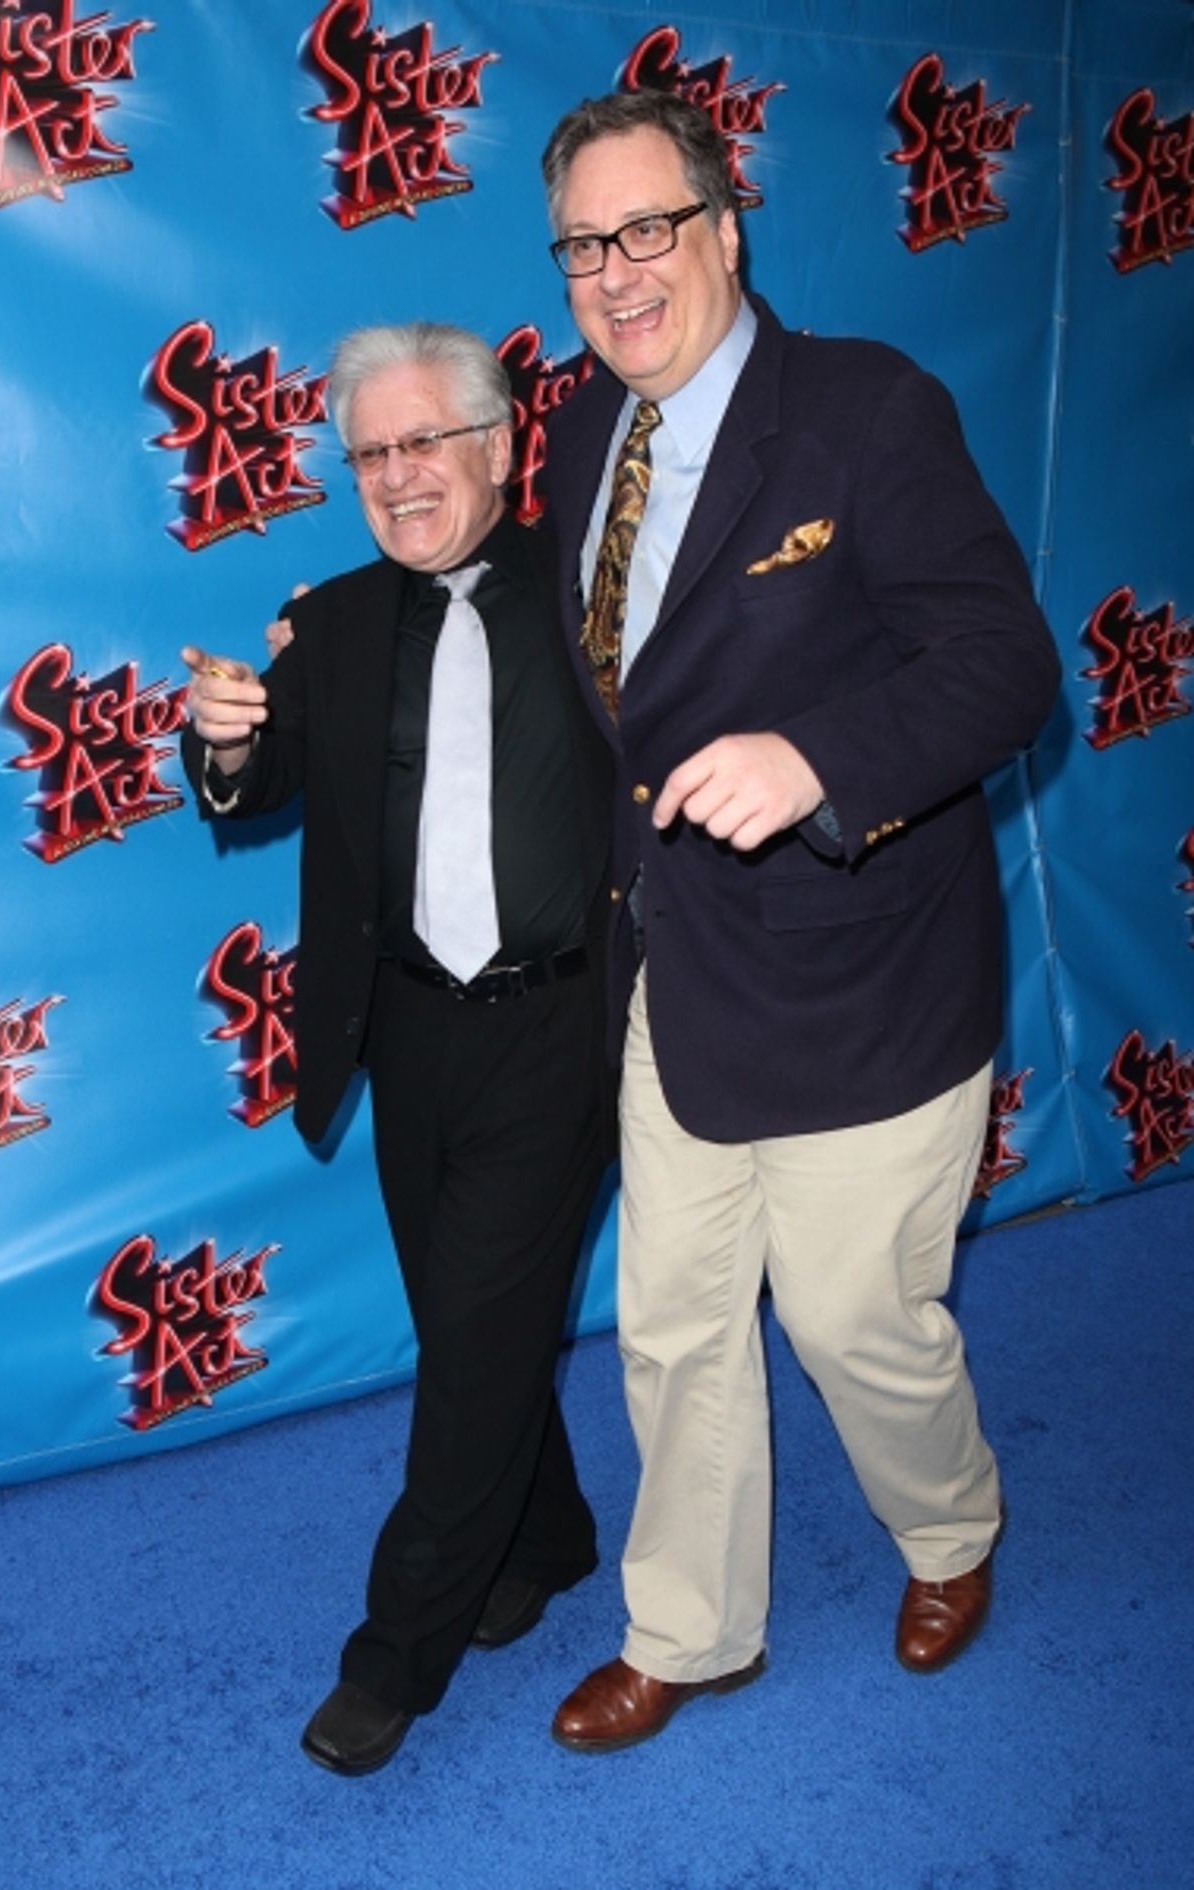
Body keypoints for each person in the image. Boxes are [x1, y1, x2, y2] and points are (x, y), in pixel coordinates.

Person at [536, 91, 1062, 1753]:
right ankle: (691, 1628)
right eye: (582, 245)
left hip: (870, 973)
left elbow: (1006, 666)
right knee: (674, 1320)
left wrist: (819, 756)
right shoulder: (572, 430)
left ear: (725, 227)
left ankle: (951, 1527)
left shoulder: (864, 411)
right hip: (679, 970)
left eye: (649, 229)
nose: (618, 276)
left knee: (852, 1319)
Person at [180, 322, 614, 1775]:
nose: (399, 475)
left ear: (499, 445)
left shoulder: (598, 588)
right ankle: (546, 1533)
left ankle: (394, 1655)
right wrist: (228, 737)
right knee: (468, 1324)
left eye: (427, 441)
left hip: (562, 1024)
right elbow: (255, 778)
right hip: (408, 1029)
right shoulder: (342, 618)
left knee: (477, 1338)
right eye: (372, 452)